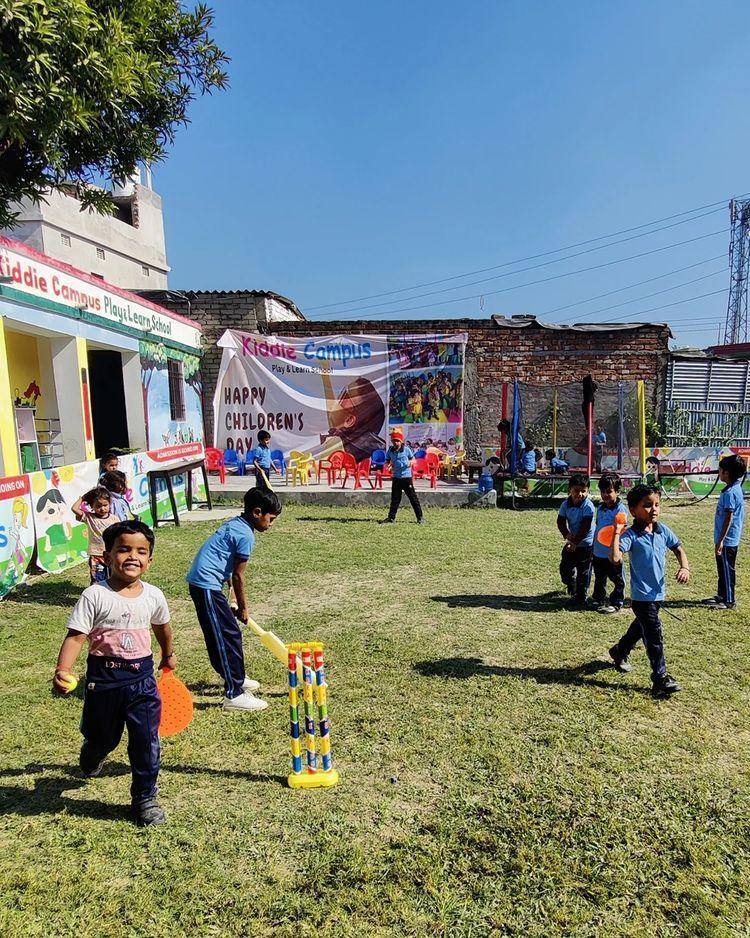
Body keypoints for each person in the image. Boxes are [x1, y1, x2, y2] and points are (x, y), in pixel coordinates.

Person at [52, 520, 175, 826]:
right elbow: (77, 636)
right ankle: (93, 752)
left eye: (141, 551)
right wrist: (63, 669)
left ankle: (145, 798)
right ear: (107, 556)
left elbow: (162, 628)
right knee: (102, 737)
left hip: (142, 681)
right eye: (123, 549)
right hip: (104, 681)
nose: (132, 556)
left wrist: (168, 656)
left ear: (149, 560)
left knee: (146, 740)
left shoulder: (154, 595)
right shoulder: (95, 595)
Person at [186, 486, 282, 711]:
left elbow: (224, 559)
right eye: (271, 519)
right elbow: (239, 577)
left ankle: (235, 677)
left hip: (207, 584)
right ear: (257, 512)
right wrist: (244, 608)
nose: (271, 524)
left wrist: (228, 586)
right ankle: (234, 694)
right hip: (205, 585)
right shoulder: (246, 534)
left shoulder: (237, 524)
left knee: (227, 634)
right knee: (226, 636)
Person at [608, 484, 690, 697]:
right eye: (647, 505)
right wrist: (617, 532)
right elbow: (616, 558)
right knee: (654, 634)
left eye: (656, 505)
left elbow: (678, 549)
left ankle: (619, 650)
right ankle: (660, 678)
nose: (654, 509)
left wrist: (685, 567)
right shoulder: (631, 535)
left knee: (640, 628)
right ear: (633, 510)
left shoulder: (663, 530)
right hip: (642, 597)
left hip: (658, 595)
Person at [703, 453, 746, 610]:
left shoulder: (730, 493)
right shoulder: (732, 489)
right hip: (724, 539)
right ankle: (722, 596)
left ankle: (729, 600)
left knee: (727, 570)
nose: (718, 473)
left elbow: (728, 519)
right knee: (722, 569)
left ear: (726, 473)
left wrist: (721, 540)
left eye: (720, 470)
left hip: (727, 540)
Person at [557, 473, 595, 608]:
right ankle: (570, 582)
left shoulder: (588, 506)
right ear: (570, 490)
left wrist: (575, 542)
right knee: (565, 567)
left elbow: (585, 527)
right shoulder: (565, 505)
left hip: (586, 544)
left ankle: (581, 597)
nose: (580, 494)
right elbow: (560, 522)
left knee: (584, 573)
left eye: (583, 491)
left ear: (588, 491)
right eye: (576, 490)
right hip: (572, 542)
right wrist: (567, 534)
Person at [591, 473, 626, 614]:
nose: (605, 495)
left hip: (613, 552)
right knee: (599, 577)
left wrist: (617, 549)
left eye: (609, 491)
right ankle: (598, 598)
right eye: (602, 491)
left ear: (617, 491)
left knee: (617, 578)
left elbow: (622, 530)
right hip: (598, 551)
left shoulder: (620, 510)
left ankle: (617, 601)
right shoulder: (600, 508)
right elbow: (598, 525)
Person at [72, 485, 119, 584]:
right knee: (97, 579)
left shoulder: (114, 519)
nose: (102, 508)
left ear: (109, 503)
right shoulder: (89, 517)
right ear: (92, 506)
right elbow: (74, 509)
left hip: (111, 553)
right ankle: (97, 595)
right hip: (96, 555)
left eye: (105, 505)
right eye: (98, 506)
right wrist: (84, 498)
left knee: (113, 577)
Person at [379, 428, 424, 524]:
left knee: (413, 498)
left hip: (406, 478)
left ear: (401, 441)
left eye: (397, 441)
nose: (395, 443)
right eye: (393, 441)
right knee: (395, 499)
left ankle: (420, 518)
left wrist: (409, 463)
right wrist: (388, 466)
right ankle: (391, 518)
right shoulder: (390, 451)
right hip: (396, 478)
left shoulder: (407, 450)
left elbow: (414, 460)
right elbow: (386, 462)